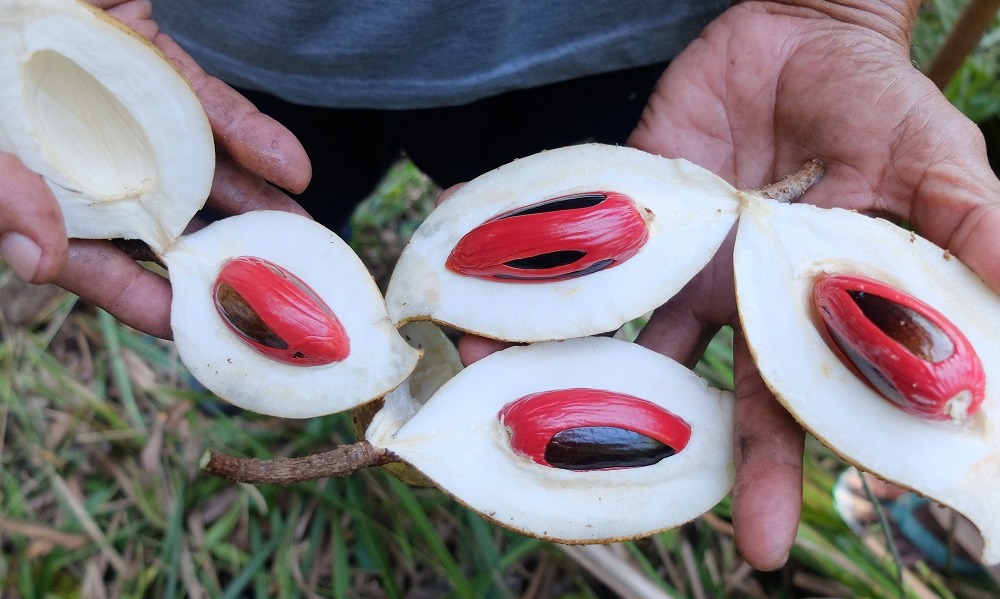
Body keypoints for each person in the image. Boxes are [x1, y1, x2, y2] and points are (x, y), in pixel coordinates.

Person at [2, 0, 999, 573]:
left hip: (624, 43)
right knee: (295, 199)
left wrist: (836, 7)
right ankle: (316, 376)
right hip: (222, 45)